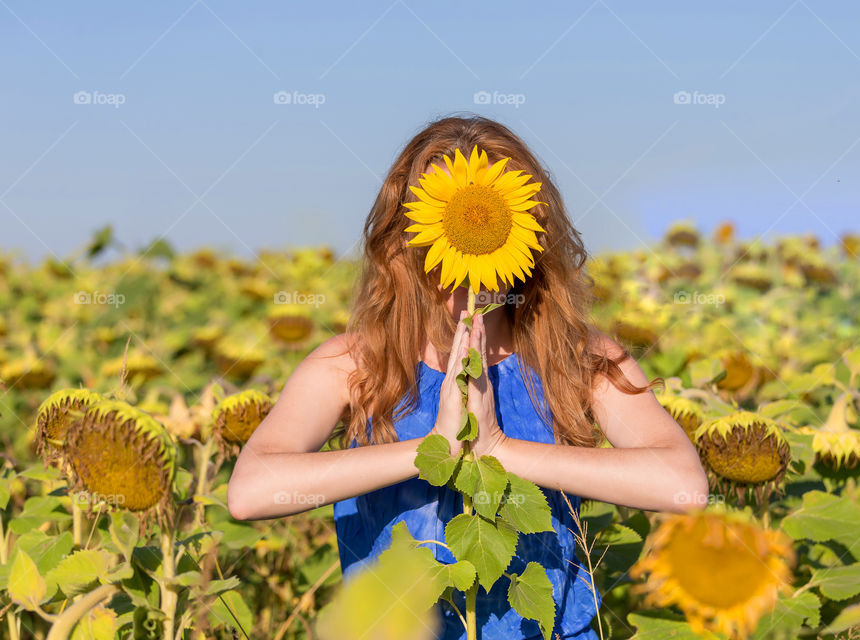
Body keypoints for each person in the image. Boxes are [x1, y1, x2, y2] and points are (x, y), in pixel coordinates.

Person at [227, 115, 708, 639]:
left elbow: (682, 485)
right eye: (444, 235)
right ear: (404, 242)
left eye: (490, 233)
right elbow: (250, 493)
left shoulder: (578, 360)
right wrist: (434, 448)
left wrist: (497, 447)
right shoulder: (355, 365)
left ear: (525, 242)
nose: (463, 267)